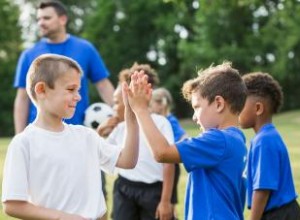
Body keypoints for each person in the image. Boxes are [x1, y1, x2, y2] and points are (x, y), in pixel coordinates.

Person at [2, 54, 139, 220]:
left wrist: (132, 114)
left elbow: (128, 161)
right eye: (70, 89)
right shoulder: (23, 143)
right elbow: (12, 205)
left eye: (78, 90)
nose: (78, 96)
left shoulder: (86, 136)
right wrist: (62, 217)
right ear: (41, 90)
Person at [125, 62, 248, 220]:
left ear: (219, 103)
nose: (194, 117)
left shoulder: (218, 140)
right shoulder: (237, 140)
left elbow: (162, 153)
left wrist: (141, 109)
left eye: (197, 107)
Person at [13, 0, 114, 134]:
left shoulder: (85, 49)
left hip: (78, 130)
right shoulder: (29, 54)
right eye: (39, 19)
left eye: (46, 18)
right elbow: (22, 98)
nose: (41, 23)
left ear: (62, 19)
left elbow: (103, 85)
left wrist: (120, 117)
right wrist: (19, 135)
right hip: (41, 133)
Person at [99, 63, 176, 220]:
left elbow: (169, 164)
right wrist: (100, 132)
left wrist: (166, 201)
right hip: (125, 188)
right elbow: (103, 152)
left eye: (117, 102)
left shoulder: (160, 123)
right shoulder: (119, 127)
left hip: (153, 191)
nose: (113, 107)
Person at [239, 72, 300, 220]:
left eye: (240, 103)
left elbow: (262, 189)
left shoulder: (264, 141)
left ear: (258, 108)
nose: (236, 109)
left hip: (280, 215)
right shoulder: (266, 137)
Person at [150, 87, 188, 218]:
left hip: (171, 166)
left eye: (151, 103)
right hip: (161, 166)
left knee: (170, 201)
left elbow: (184, 137)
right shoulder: (158, 119)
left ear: (160, 104)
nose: (149, 106)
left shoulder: (169, 120)